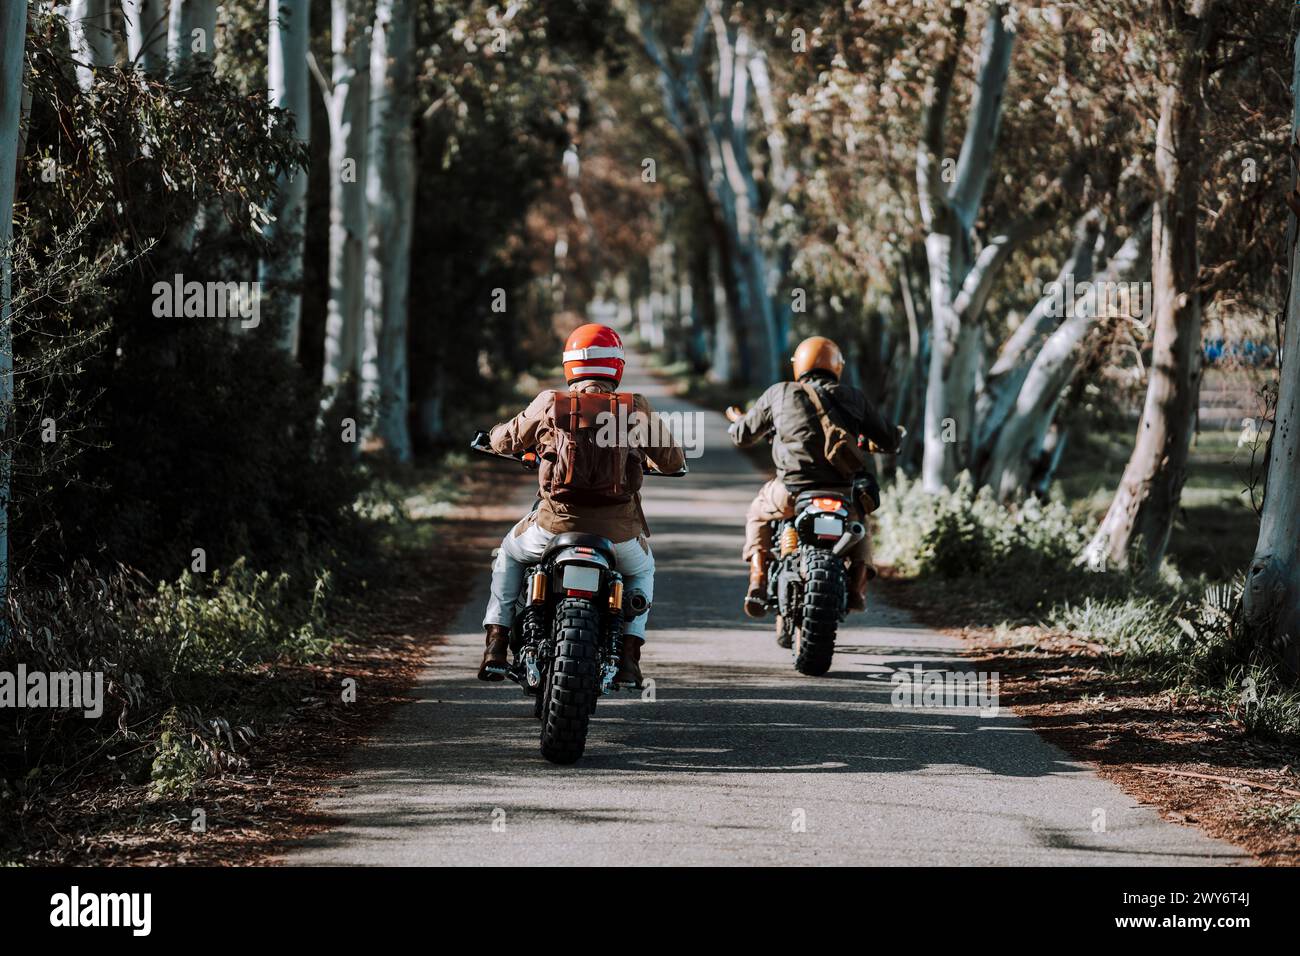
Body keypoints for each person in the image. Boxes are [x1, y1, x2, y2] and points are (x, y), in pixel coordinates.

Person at [478, 323, 685, 686]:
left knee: (509, 554)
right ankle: (629, 659)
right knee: (643, 569)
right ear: (617, 366)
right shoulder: (634, 407)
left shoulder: (549, 403)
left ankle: (496, 644)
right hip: (617, 536)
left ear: (569, 365)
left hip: (552, 528)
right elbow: (671, 460)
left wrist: (492, 439)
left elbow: (507, 439)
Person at [727, 335, 901, 618]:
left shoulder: (780, 392)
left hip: (792, 491)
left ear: (799, 365)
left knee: (758, 512)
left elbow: (743, 435)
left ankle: (757, 577)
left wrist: (737, 424)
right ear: (837, 366)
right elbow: (890, 439)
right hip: (842, 493)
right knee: (861, 525)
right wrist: (895, 437)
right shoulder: (854, 397)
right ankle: (857, 586)